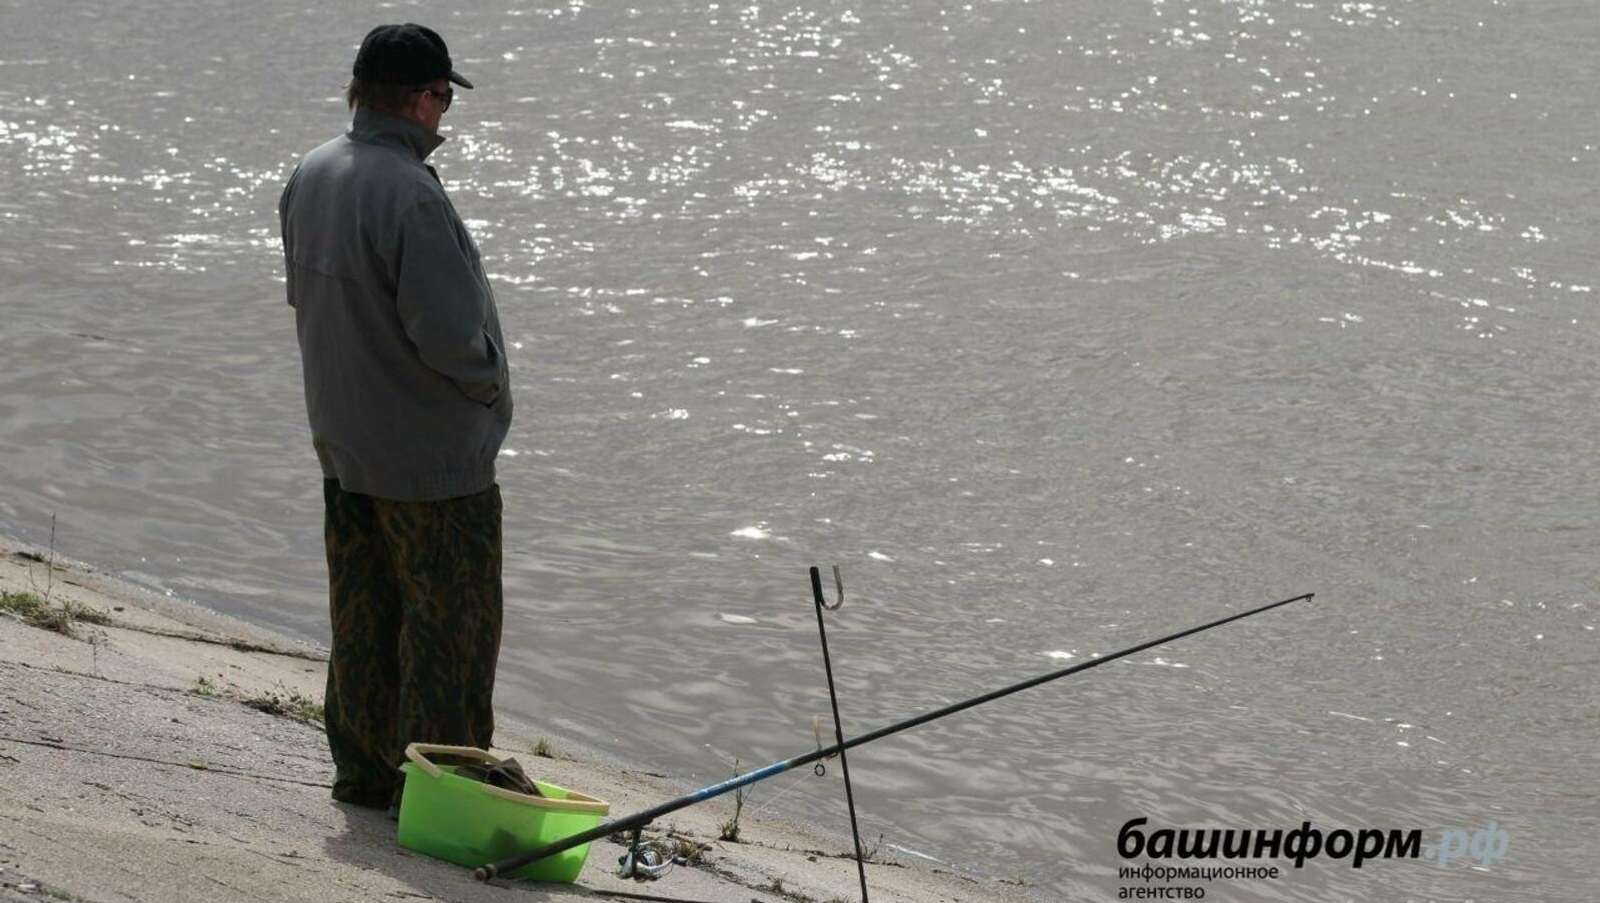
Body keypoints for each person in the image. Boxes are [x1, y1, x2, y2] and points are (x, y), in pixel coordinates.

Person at [278, 23, 513, 810]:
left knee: (365, 620)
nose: (444, 113)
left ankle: (366, 772)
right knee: (450, 634)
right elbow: (450, 336)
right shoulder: (411, 193)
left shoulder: (312, 172)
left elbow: (305, 300)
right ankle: (444, 794)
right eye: (444, 97)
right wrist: (492, 387)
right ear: (417, 99)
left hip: (345, 446)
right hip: (433, 464)